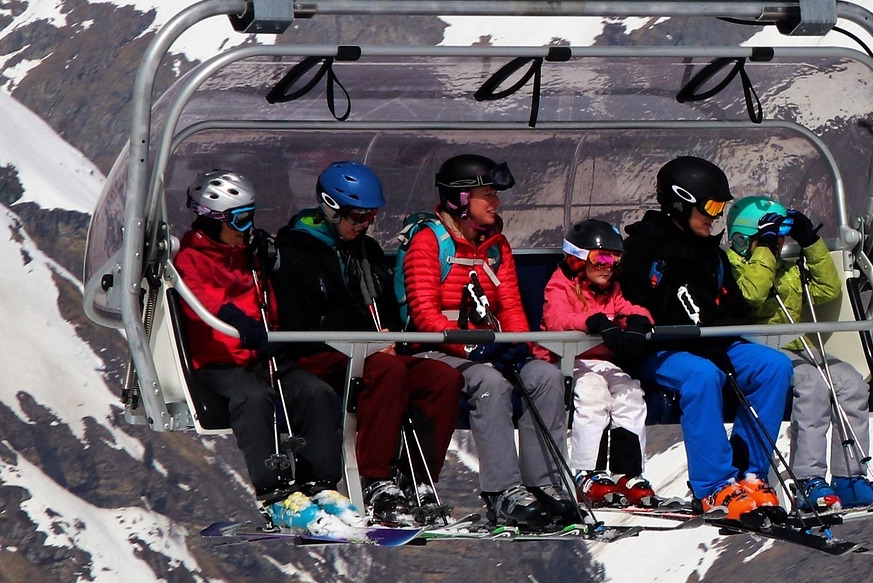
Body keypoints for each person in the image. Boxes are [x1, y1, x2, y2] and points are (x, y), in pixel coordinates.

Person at [271, 161, 463, 527]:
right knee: (387, 370)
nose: (364, 225)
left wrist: (388, 335)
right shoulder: (294, 253)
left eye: (371, 217)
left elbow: (387, 309)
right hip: (320, 354)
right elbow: (300, 322)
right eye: (357, 217)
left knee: (442, 379)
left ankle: (417, 481)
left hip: (370, 353)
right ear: (330, 207)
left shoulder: (366, 252)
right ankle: (377, 481)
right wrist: (369, 343)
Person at [173, 169, 355, 536]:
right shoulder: (192, 258)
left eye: (252, 215)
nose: (248, 226)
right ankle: (276, 494)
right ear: (213, 219)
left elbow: (269, 295)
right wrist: (248, 328)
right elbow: (205, 303)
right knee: (253, 399)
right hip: (220, 361)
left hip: (261, 356)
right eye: (240, 218)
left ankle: (320, 485)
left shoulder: (250, 253)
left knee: (315, 391)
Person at [399, 152, 572, 533]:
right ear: (460, 201)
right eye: (487, 195)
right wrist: (470, 348)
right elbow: (424, 314)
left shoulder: (497, 246)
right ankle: (502, 492)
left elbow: (509, 303)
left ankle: (544, 484)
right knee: (490, 383)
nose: (496, 203)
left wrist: (519, 346)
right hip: (438, 349)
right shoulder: (430, 243)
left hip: (488, 346)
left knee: (544, 375)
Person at [617, 156, 792, 523]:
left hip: (710, 342)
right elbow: (630, 301)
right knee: (702, 376)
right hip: (661, 348)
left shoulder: (711, 252)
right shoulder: (643, 249)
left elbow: (729, 305)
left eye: (720, 207)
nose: (715, 216)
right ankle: (713, 487)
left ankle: (750, 473)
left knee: (774, 366)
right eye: (710, 206)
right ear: (680, 203)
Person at [726, 195, 873, 512]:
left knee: (850, 382)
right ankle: (808, 479)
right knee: (812, 384)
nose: (777, 246)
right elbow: (751, 294)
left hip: (794, 348)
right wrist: (764, 251)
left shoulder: (787, 268)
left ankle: (850, 477)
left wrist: (811, 243)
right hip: (756, 353)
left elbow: (828, 291)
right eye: (768, 239)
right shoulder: (731, 266)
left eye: (780, 239)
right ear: (743, 239)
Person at [540, 218, 656, 507]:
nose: (609, 266)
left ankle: (627, 471)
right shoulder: (559, 286)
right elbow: (557, 320)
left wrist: (641, 319)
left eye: (615, 259)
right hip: (567, 360)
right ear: (578, 258)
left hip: (599, 361)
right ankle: (587, 472)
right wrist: (591, 321)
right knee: (593, 394)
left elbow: (627, 308)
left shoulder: (610, 289)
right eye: (602, 257)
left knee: (631, 394)